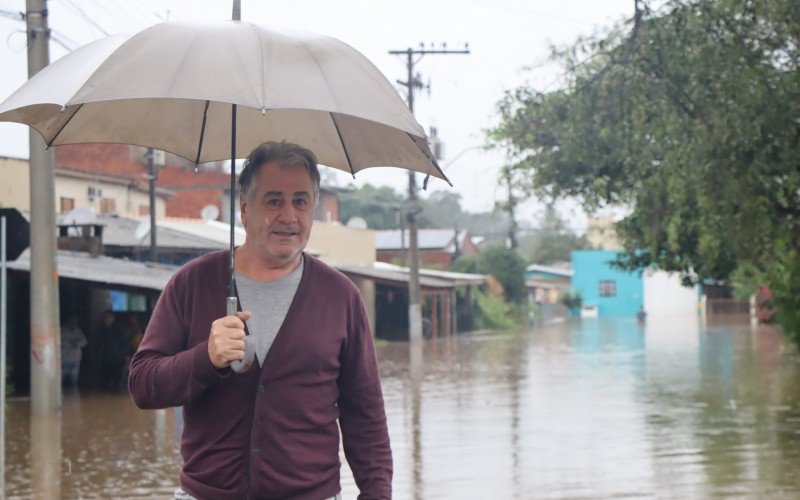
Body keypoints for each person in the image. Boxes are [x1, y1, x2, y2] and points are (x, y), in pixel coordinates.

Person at [129, 141, 392, 500]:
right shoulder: (192, 283)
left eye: (301, 201)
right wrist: (206, 358)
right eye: (273, 200)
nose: (288, 215)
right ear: (244, 209)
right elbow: (143, 385)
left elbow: (366, 417)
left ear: (313, 209)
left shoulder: (341, 297)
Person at [60, 316, 87, 388]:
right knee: (60, 381)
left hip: (75, 360)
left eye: (75, 322)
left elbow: (84, 342)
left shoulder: (78, 331)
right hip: (63, 360)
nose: (73, 323)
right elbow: (59, 342)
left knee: (74, 382)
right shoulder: (62, 330)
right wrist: (69, 344)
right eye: (71, 321)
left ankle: (73, 397)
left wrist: (76, 343)